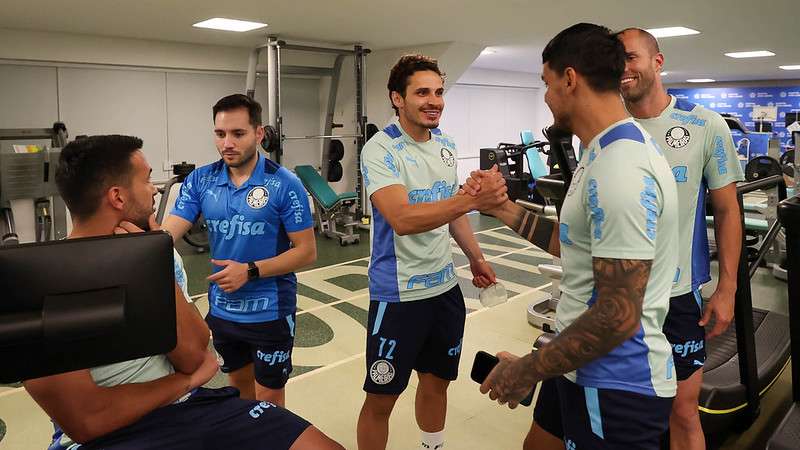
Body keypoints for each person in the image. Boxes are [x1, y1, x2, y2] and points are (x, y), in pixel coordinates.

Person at [23, 135, 342, 450]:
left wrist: (149, 264)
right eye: (147, 180)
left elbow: (194, 354)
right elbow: (88, 421)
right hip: (109, 436)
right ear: (118, 197)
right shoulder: (40, 288)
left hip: (188, 410)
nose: (155, 190)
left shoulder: (158, 258)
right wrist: (183, 382)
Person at [470, 23, 679, 449]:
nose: (546, 97)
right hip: (578, 363)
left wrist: (528, 368)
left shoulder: (622, 168)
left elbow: (618, 314)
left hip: (616, 385)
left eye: (547, 84)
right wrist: (502, 209)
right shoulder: (598, 151)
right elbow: (576, 246)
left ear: (569, 79)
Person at [355, 54, 506, 450]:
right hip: (398, 296)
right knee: (381, 398)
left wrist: (476, 257)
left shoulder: (445, 146)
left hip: (444, 291)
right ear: (397, 99)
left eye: (439, 91)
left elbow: (448, 210)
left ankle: (432, 446)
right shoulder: (380, 150)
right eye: (422, 92)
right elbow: (403, 218)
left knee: (438, 381)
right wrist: (471, 201)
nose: (434, 100)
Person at [617, 28, 744, 450]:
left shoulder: (703, 125)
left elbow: (728, 211)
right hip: (619, 294)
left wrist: (726, 289)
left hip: (677, 297)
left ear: (658, 61)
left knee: (683, 410)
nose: (623, 68)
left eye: (631, 57)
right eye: (616, 60)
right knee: (627, 407)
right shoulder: (606, 126)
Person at [161, 94, 316, 406]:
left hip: (270, 311)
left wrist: (250, 270)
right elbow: (166, 236)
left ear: (259, 134)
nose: (227, 143)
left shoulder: (285, 184)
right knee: (240, 393)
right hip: (223, 310)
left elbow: (306, 252)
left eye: (238, 134)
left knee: (269, 400)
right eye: (220, 134)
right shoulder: (201, 180)